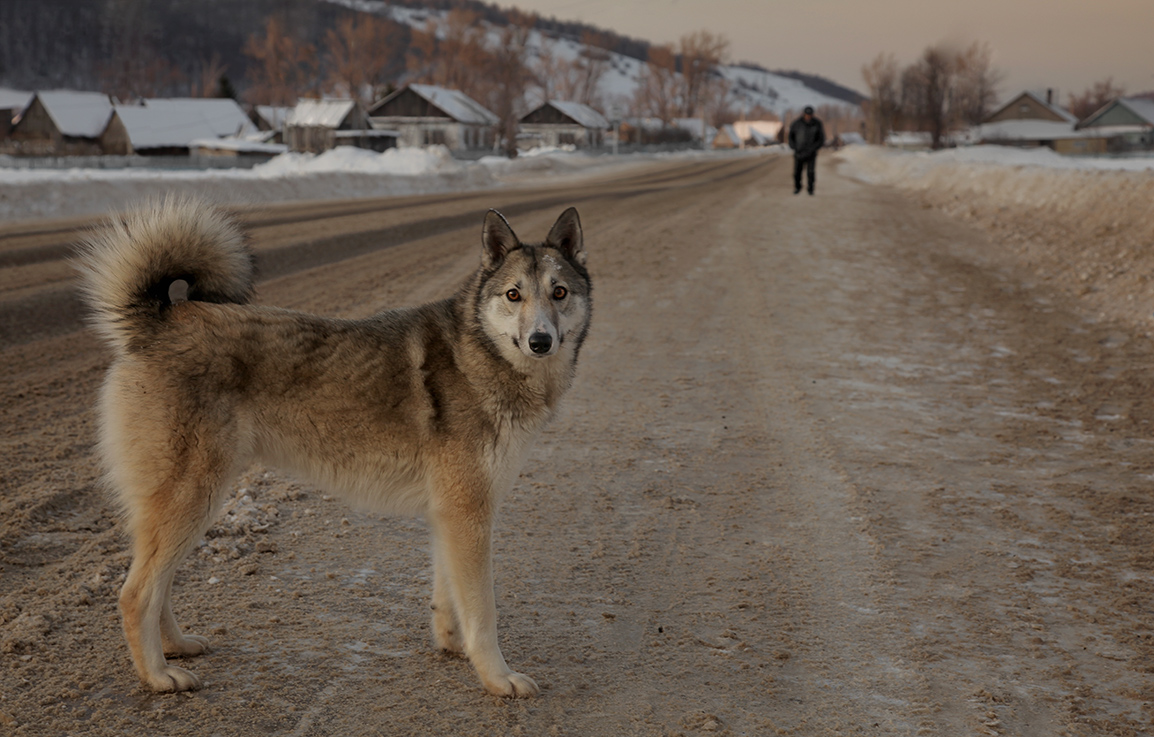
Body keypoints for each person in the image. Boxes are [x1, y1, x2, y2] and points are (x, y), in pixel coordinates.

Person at [788, 106, 825, 195]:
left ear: (812, 115)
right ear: (803, 114)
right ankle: (797, 187)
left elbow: (821, 139)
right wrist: (794, 147)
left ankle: (810, 189)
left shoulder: (817, 124)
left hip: (811, 153)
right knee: (797, 172)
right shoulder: (796, 123)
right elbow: (790, 137)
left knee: (811, 172)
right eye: (806, 114)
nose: (808, 116)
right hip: (799, 152)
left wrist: (814, 148)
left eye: (810, 115)